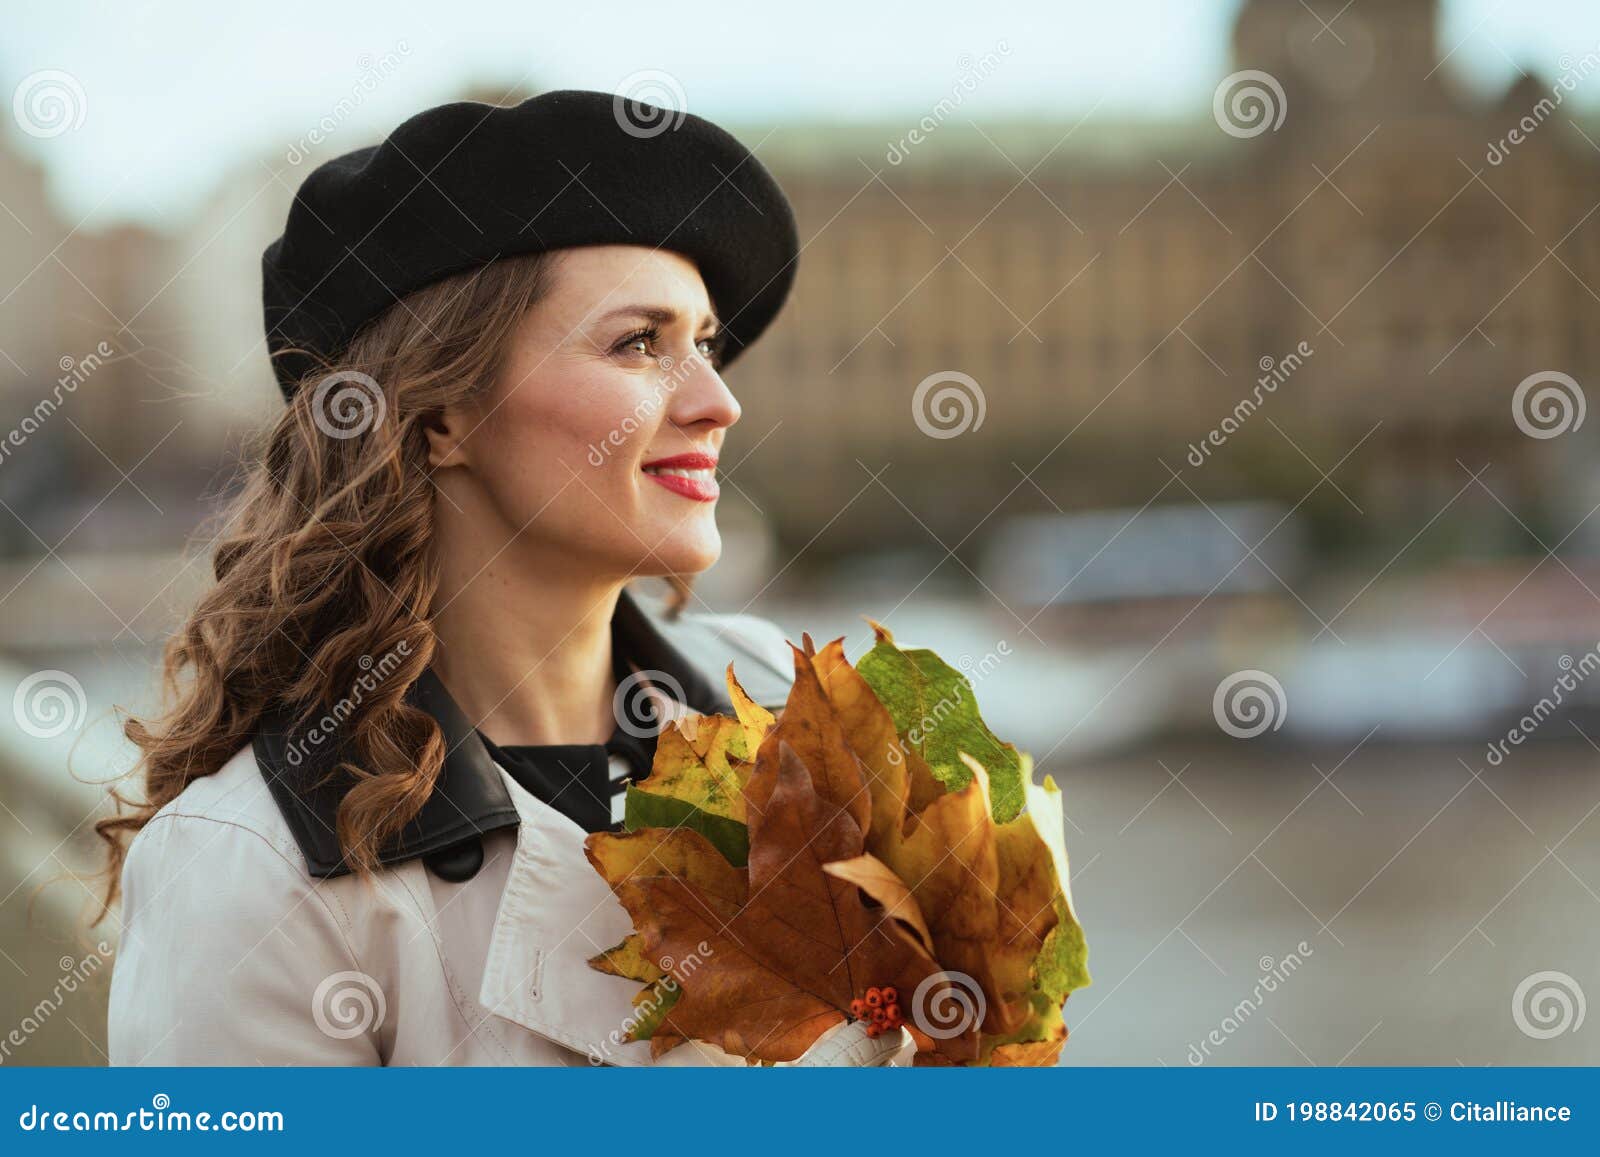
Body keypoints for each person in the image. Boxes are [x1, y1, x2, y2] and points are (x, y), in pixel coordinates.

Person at [98, 89, 908, 1066]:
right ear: (439, 416)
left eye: (705, 343)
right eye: (639, 343)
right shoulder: (251, 872)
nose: (718, 400)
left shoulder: (802, 705)